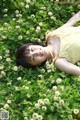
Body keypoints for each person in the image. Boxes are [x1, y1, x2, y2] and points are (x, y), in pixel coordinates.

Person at [16, 11, 80, 76]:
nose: (36, 52)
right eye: (33, 58)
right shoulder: (59, 61)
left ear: (33, 45)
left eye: (32, 49)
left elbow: (71, 21)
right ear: (38, 64)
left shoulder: (52, 35)